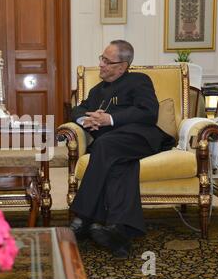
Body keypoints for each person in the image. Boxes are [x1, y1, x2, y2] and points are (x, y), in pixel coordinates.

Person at [69, 40, 175, 258]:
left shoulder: (139, 81)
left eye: (107, 61)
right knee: (120, 164)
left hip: (139, 138)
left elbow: (148, 112)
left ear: (123, 65)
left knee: (104, 145)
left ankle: (84, 218)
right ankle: (119, 231)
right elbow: (78, 108)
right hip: (113, 147)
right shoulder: (97, 90)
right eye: (102, 58)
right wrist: (86, 120)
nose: (101, 64)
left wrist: (109, 119)